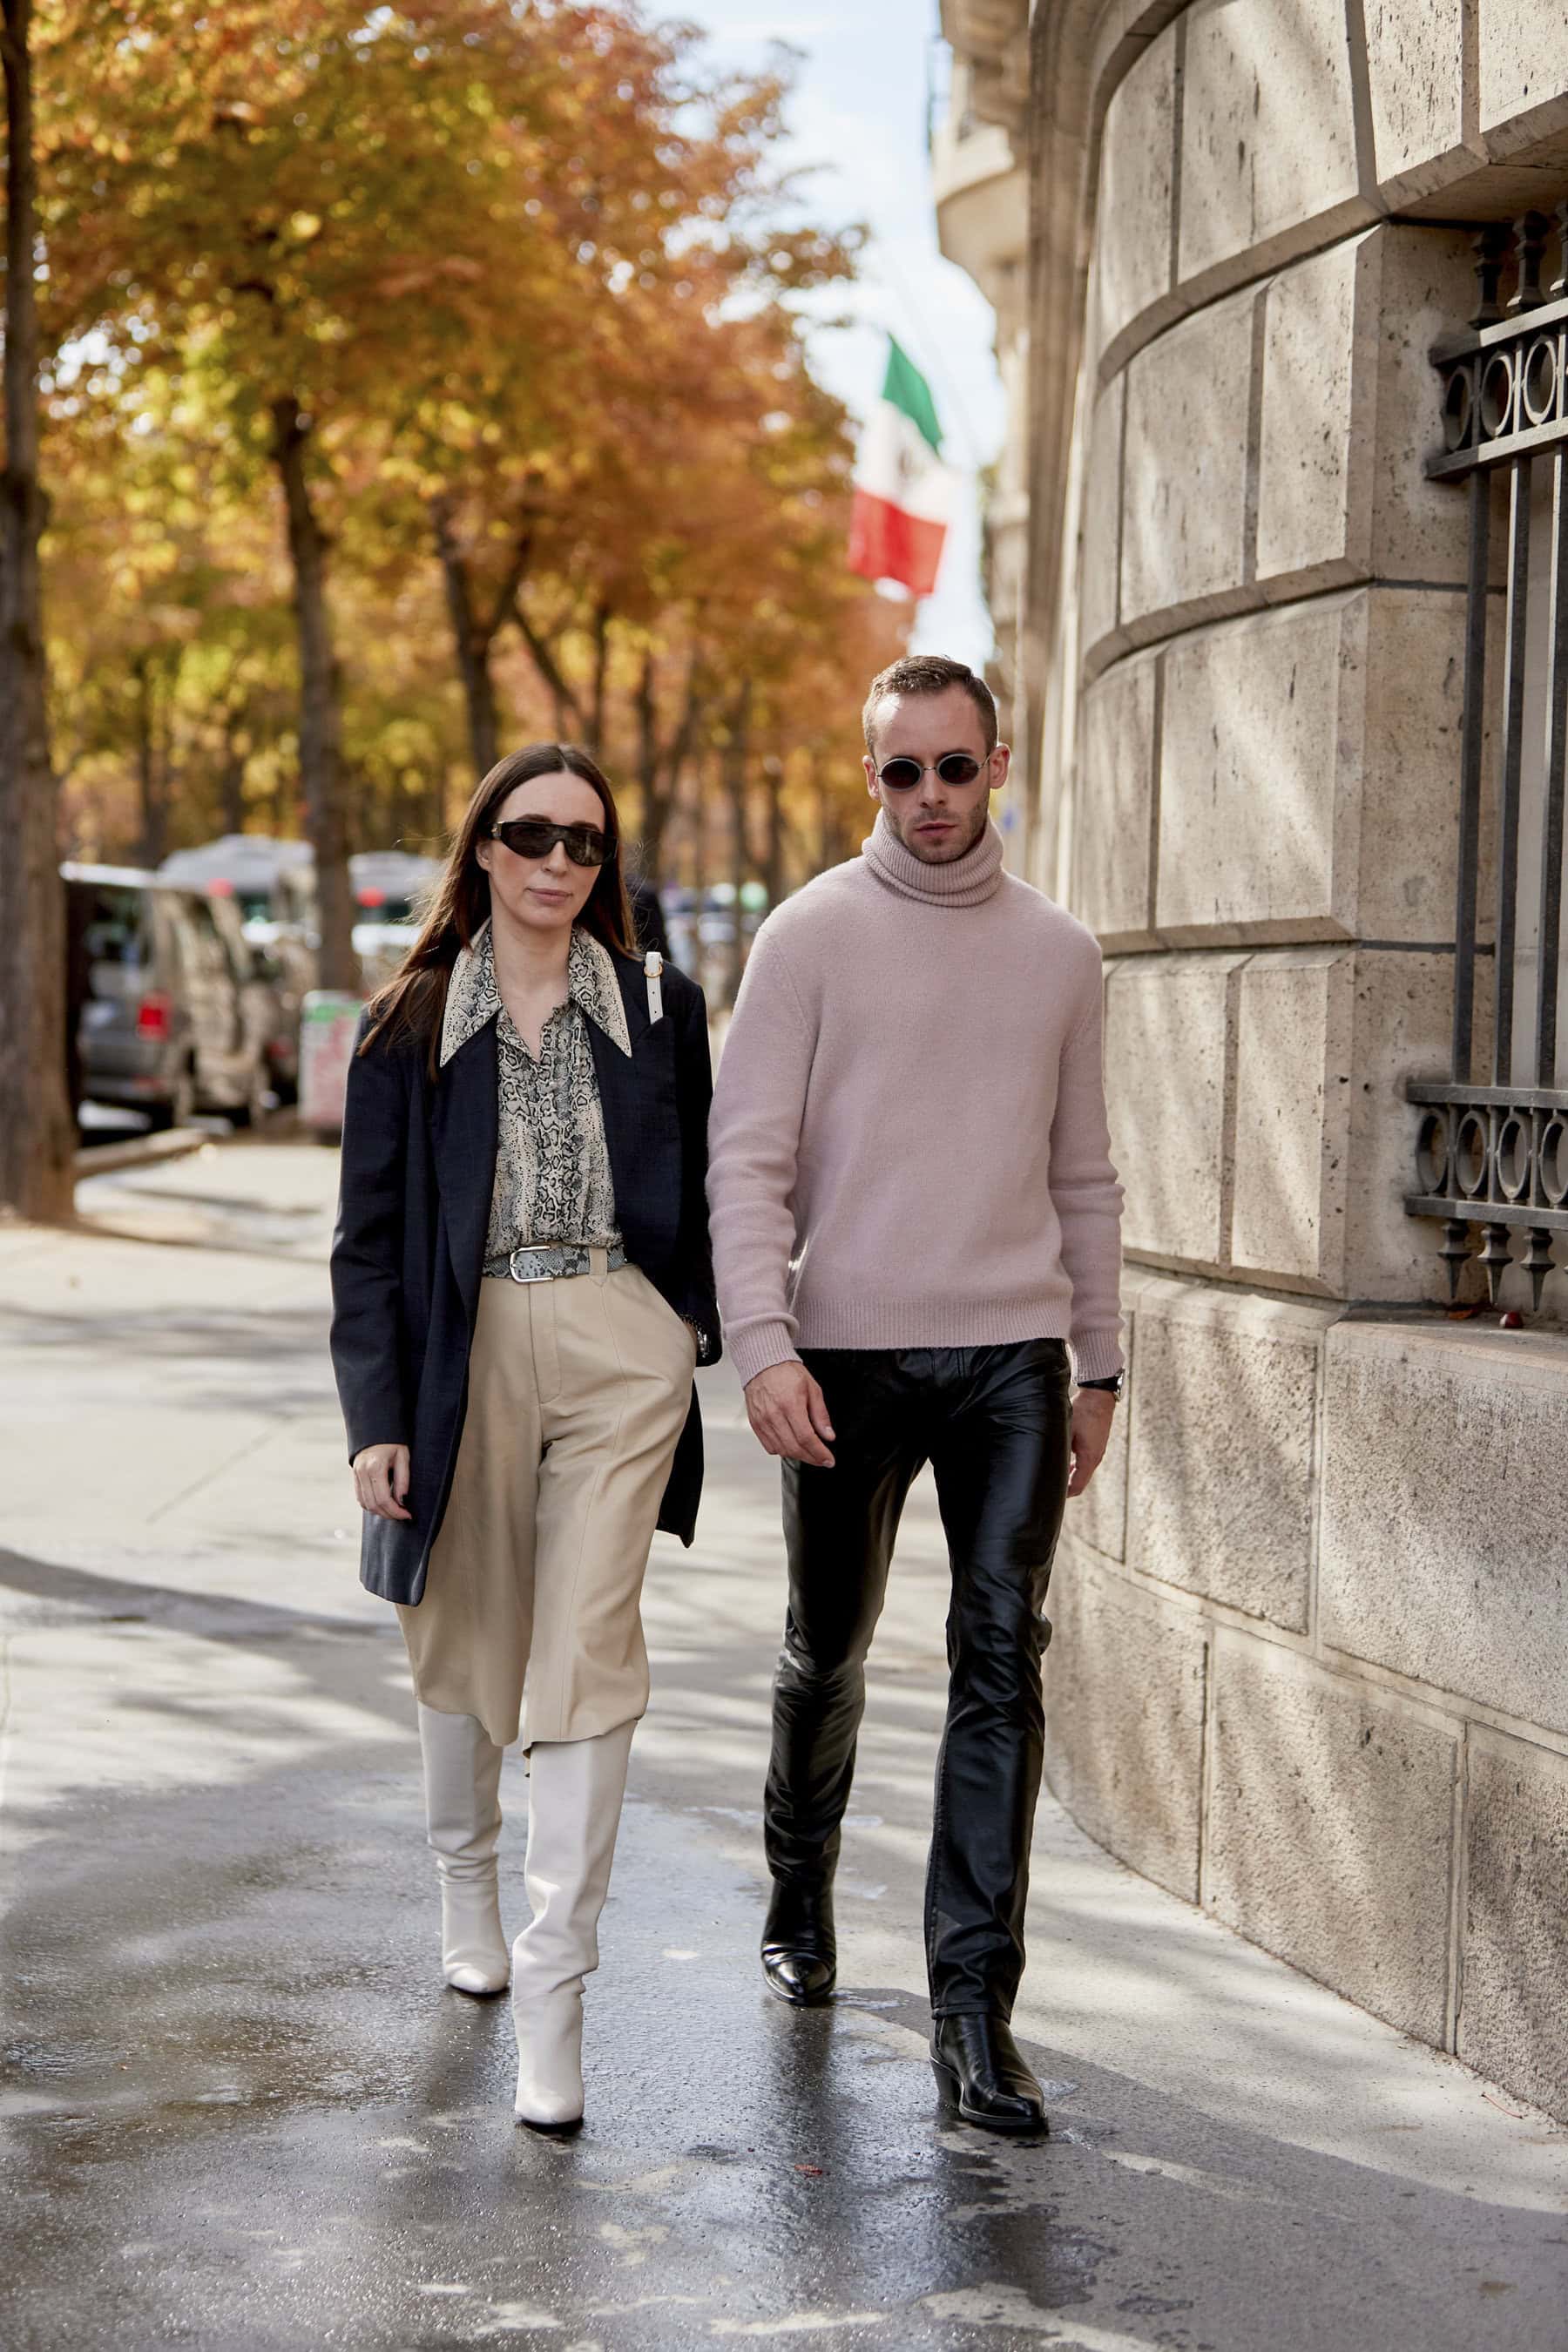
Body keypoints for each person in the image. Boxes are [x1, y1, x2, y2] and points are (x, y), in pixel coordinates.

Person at [706, 653, 1124, 2136]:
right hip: (846, 1358)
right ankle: (800, 1886)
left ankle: (972, 2013)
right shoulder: (808, 937)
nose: (931, 797)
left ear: (997, 767)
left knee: (1000, 1661)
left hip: (1013, 1357)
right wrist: (763, 1344)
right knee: (829, 1646)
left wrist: (1102, 1360)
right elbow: (747, 1162)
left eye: (956, 767)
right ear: (868, 775)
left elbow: (1083, 1173)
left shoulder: (1062, 954)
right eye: (903, 771)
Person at [329, 743, 720, 2132]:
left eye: (585, 846)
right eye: (533, 835)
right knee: (463, 1635)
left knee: (586, 1653)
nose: (559, 863)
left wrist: (692, 1330)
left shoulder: (658, 1010)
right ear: (483, 846)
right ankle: (465, 1883)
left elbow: (714, 1183)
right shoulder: (409, 1023)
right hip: (466, 1350)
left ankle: (558, 2001)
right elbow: (366, 1246)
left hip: (619, 1340)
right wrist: (378, 1420)